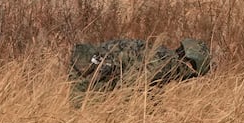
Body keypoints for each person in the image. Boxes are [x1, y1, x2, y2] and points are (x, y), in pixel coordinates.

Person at [67, 37, 212, 106]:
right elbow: (129, 88)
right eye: (194, 74)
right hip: (92, 77)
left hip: (87, 65)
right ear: (191, 65)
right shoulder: (165, 65)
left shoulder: (162, 53)